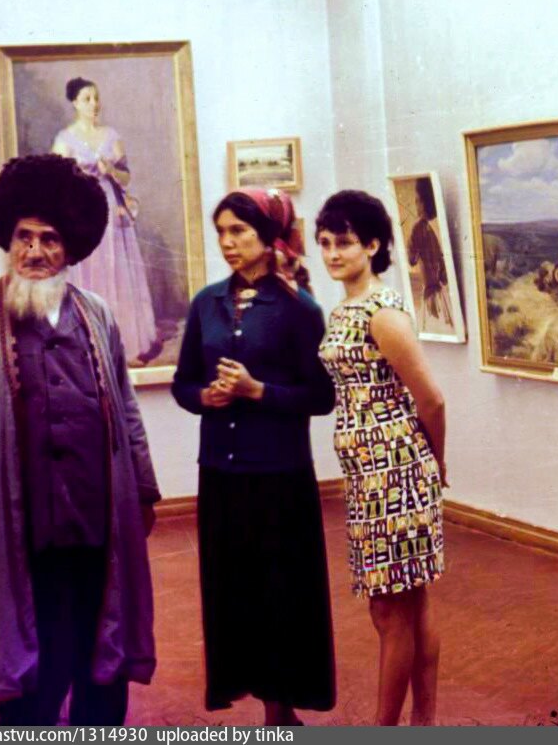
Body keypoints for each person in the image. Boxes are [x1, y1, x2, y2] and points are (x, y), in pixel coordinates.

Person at [0, 154, 160, 724]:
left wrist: (144, 490)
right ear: (8, 240)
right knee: (32, 672)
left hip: (98, 525)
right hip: (23, 530)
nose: (34, 251)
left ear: (70, 247)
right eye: (24, 237)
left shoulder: (98, 314)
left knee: (101, 659)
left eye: (49, 239)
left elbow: (126, 410)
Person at [171, 188, 336, 725]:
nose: (227, 242)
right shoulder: (206, 303)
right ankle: (253, 693)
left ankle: (280, 709)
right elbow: (182, 384)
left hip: (279, 475)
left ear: (268, 238)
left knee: (280, 592)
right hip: (221, 472)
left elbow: (321, 397)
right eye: (221, 232)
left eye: (238, 231)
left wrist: (257, 391)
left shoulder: (299, 309)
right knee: (233, 589)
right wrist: (206, 396)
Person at [316, 190, 446, 726]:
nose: (332, 253)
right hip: (369, 477)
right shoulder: (343, 309)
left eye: (344, 243)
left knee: (390, 610)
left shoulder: (382, 312)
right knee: (410, 604)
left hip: (395, 474)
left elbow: (432, 400)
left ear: (372, 245)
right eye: (325, 243)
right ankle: (424, 723)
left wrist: (437, 464)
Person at [51, 77, 162, 365]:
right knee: (88, 269)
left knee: (117, 270)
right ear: (75, 103)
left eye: (96, 98)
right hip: (81, 211)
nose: (94, 104)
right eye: (87, 99)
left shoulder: (111, 136)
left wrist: (110, 169)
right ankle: (87, 348)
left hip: (111, 211)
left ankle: (125, 343)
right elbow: (57, 183)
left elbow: (126, 177)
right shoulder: (65, 140)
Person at [407, 181, 454, 330]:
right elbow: (443, 272)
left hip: (431, 295)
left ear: (424, 202)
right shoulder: (434, 229)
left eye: (417, 200)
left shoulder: (418, 227)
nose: (415, 205)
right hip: (440, 293)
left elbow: (411, 260)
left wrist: (412, 243)